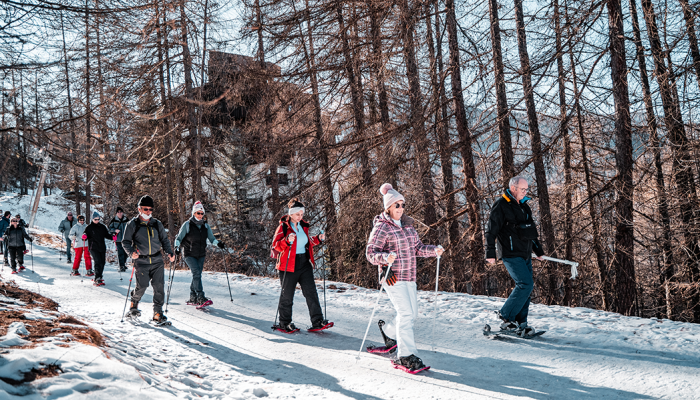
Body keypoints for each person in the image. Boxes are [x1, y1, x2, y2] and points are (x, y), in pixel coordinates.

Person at [366, 183, 443, 372]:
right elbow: (370, 253)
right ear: (388, 207)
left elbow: (417, 248)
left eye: (402, 205)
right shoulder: (382, 226)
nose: (400, 208)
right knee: (406, 314)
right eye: (397, 205)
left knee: (410, 314)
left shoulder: (408, 226)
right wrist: (384, 258)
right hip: (392, 277)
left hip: (409, 276)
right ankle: (405, 355)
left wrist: (434, 251)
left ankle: (388, 332)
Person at [485, 176, 545, 337]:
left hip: (525, 253)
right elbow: (491, 230)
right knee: (525, 284)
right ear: (513, 188)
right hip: (510, 253)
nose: (525, 192)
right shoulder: (501, 205)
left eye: (527, 189)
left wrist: (538, 251)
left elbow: (530, 232)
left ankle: (521, 323)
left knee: (527, 287)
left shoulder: (524, 207)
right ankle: (506, 315)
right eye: (523, 189)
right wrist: (490, 252)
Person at [271, 198, 329, 332]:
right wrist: (286, 241)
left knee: (311, 293)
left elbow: (306, 242)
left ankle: (318, 321)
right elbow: (275, 246)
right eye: (298, 214)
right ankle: (284, 323)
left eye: (302, 214)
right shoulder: (283, 227)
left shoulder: (303, 226)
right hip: (288, 265)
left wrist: (318, 239)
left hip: (304, 263)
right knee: (287, 295)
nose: (300, 217)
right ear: (291, 214)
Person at [122, 195, 175, 324]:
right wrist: (131, 253)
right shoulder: (132, 224)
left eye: (150, 209)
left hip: (157, 260)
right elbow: (125, 242)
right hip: (141, 261)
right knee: (142, 286)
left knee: (159, 287)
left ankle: (158, 313)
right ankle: (134, 304)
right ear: (139, 209)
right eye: (145, 209)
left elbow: (164, 240)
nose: (148, 212)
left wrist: (169, 252)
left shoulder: (157, 224)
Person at [173, 201, 224, 306]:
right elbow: (178, 238)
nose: (200, 215)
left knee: (197, 275)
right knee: (196, 273)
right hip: (189, 254)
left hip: (201, 254)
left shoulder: (206, 226)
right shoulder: (187, 225)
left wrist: (218, 244)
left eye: (202, 213)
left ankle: (193, 296)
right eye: (198, 213)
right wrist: (176, 247)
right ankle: (200, 297)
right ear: (193, 213)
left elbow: (212, 239)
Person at [84, 211, 112, 286]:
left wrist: (112, 237)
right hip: (93, 247)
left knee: (102, 262)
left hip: (102, 247)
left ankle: (99, 275)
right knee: (98, 261)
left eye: (98, 219)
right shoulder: (89, 227)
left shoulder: (102, 227)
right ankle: (97, 278)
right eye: (95, 219)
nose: (97, 221)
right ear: (92, 219)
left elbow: (106, 235)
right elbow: (85, 236)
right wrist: (84, 237)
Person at [108, 207, 129, 272]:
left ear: (123, 212)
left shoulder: (126, 219)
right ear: (116, 213)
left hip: (126, 239)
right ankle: (121, 266)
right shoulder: (114, 220)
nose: (120, 213)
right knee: (120, 253)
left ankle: (123, 263)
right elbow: (109, 229)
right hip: (118, 239)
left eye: (121, 212)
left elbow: (131, 227)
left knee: (126, 253)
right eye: (118, 212)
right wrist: (115, 230)